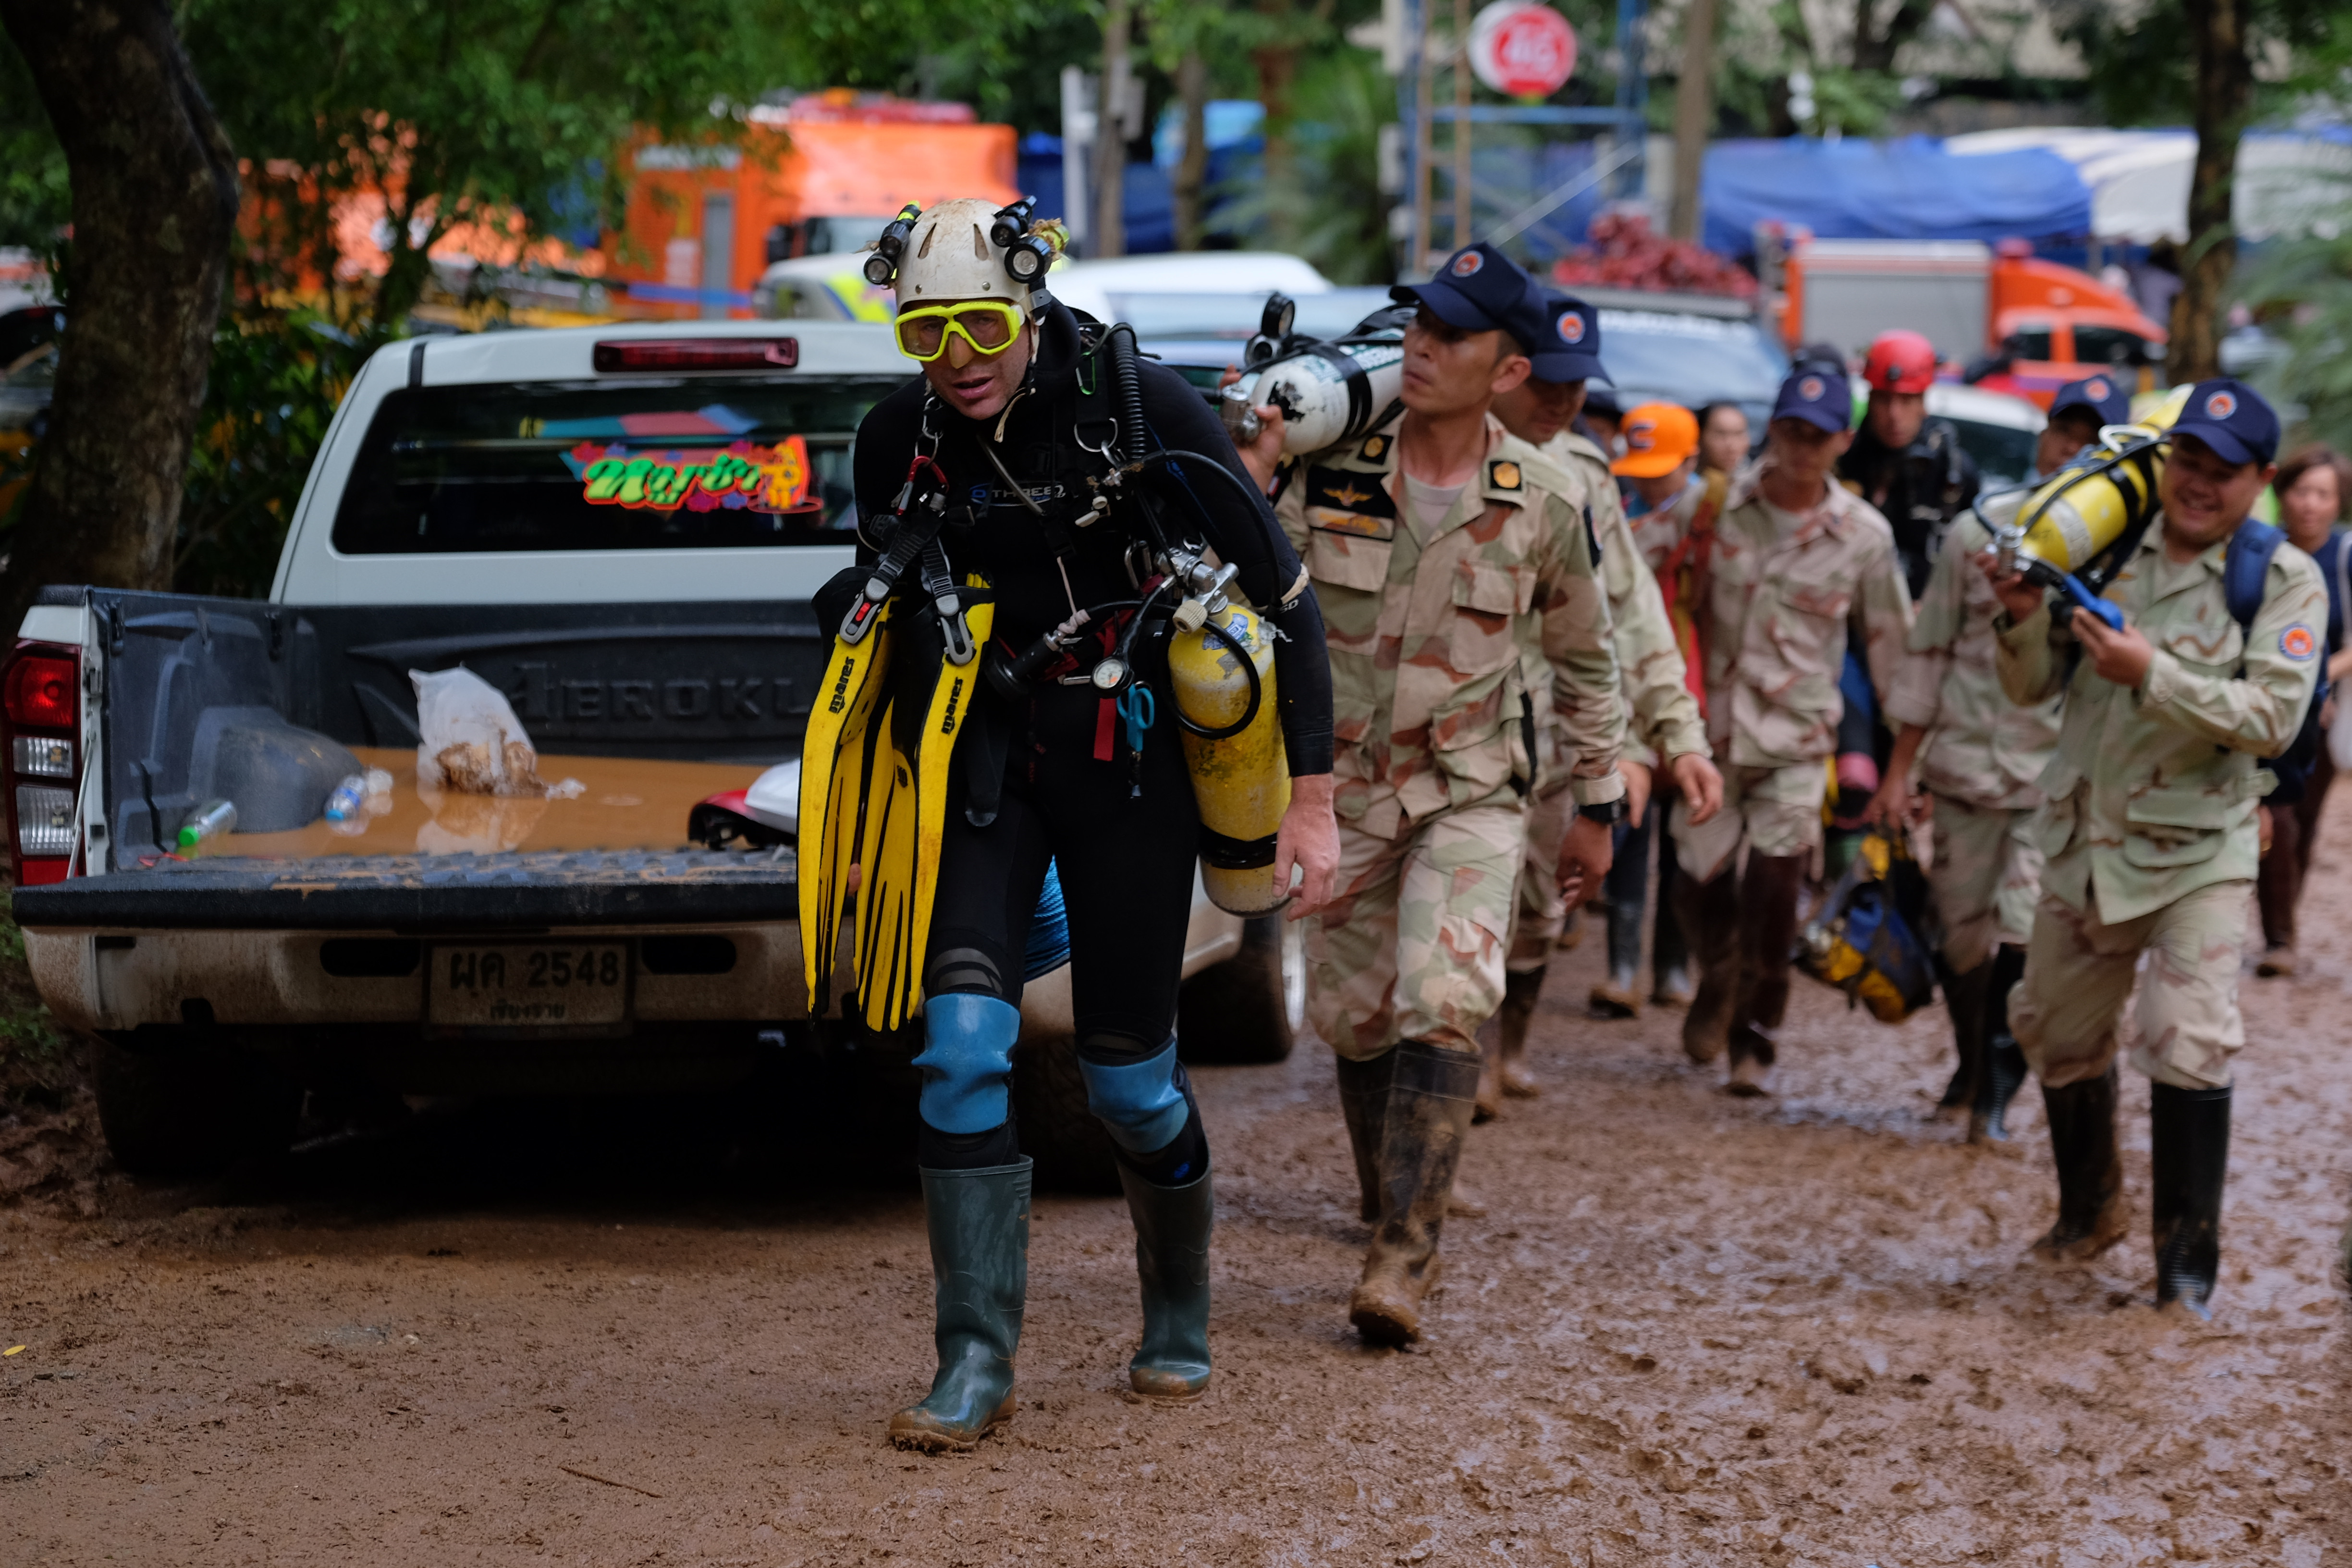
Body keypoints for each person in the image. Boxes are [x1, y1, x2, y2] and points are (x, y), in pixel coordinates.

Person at [836, 198, 1339, 1450]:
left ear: (1032, 302)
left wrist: (1315, 797)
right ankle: (973, 1362)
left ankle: (1178, 1307)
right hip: (986, 768)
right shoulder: (896, 439)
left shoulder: (1140, 408)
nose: (958, 356)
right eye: (927, 332)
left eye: (982, 324)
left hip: (1131, 765)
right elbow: (885, 628)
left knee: (1126, 1084)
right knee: (959, 1052)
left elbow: (1287, 600)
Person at [1248, 244, 1629, 1346]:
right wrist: (1260, 480)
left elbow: (1588, 661)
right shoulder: (1333, 463)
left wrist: (1596, 804)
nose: (1421, 347)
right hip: (1345, 788)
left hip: (1470, 790)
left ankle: (1401, 1260)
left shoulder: (1546, 499)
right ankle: (1386, 1194)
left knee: (1446, 992)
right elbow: (1259, 597)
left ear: (1509, 369)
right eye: (1416, 326)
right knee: (1357, 1021)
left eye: (1452, 335)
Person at [1987, 379, 2325, 1318]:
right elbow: (2028, 690)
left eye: (2224, 473)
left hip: (2199, 849)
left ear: (2258, 480)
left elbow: (2270, 717)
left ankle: (2186, 1265)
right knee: (2055, 1036)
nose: (2199, 485)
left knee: (2187, 1043)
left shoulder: (2284, 579)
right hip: (2086, 842)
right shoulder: (2110, 546)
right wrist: (2018, 614)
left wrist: (2154, 675)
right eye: (2188, 463)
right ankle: (2088, 1209)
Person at [1644, 363, 1914, 1095]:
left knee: (1773, 897)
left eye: (1818, 437)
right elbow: (1632, 575)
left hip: (1798, 747)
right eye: (1791, 430)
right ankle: (1718, 978)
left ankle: (1755, 1040)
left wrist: (1905, 768)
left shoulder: (1863, 536)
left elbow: (1894, 652)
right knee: (1696, 892)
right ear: (1775, 426)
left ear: (1842, 442)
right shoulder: (1714, 506)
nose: (1801, 448)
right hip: (1711, 740)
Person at [1484, 304, 1720, 1092]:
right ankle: (1462, 1065)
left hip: (1551, 732)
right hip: (1453, 732)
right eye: (1548, 381)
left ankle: (1508, 1046)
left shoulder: (1586, 474)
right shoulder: (1443, 450)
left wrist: (1676, 733)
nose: (1562, 402)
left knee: (1539, 907)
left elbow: (1633, 607)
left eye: (1577, 386)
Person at [1867, 431, 2071, 1143]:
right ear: (2046, 441)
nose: (2072, 452)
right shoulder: (1975, 536)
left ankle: (1995, 1093)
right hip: (1963, 769)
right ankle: (1969, 1059)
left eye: (2089, 440)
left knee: (2020, 933)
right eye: (2066, 435)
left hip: (2051, 779)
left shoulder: (2119, 549)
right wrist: (1900, 771)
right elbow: (1929, 652)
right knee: (1961, 941)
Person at [2254, 445, 2352, 975]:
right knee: (2280, 815)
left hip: (2330, 716)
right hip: (2271, 712)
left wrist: (2320, 686)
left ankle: (2281, 923)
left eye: (2323, 494)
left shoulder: (2345, 558)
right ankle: (2279, 939)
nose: (2310, 505)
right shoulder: (2259, 555)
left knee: (2307, 823)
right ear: (2280, 492)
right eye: (2302, 491)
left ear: (2338, 503)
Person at [1838, 329, 1980, 600]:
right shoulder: (1844, 460)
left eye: (1907, 400)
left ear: (1924, 403)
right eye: (1883, 399)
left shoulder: (1955, 472)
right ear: (1869, 399)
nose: (1894, 415)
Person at [2032, 374, 2132, 483]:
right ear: (2044, 434)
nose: (2072, 448)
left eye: (2093, 441)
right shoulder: (2013, 494)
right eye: (2063, 430)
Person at [1698, 402, 1752, 480]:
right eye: (1720, 434)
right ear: (1700, 437)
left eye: (1738, 434)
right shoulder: (1682, 485)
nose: (1731, 446)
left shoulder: (1757, 483)